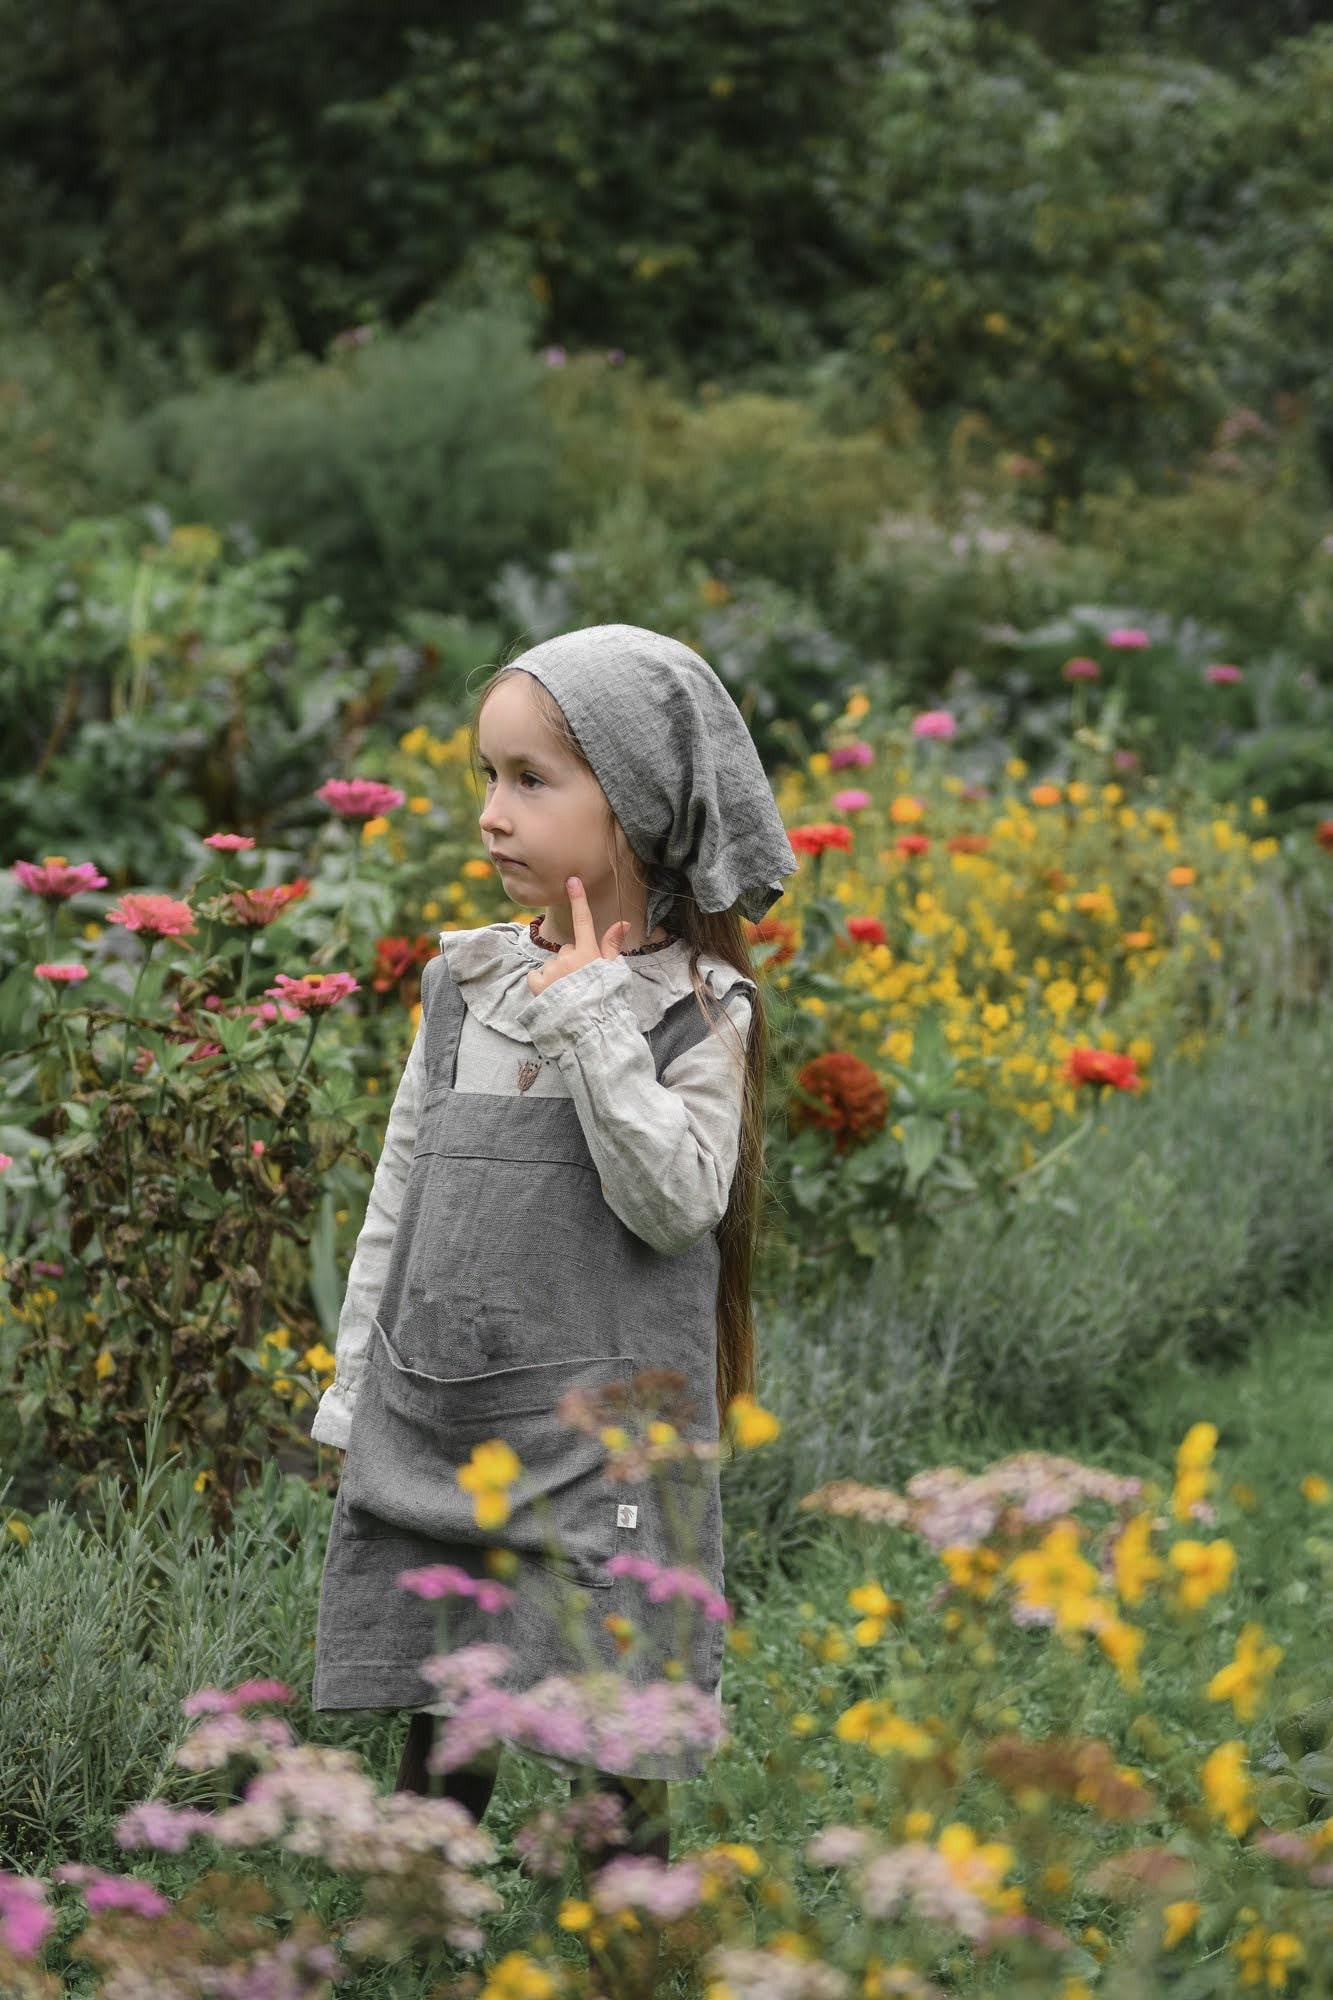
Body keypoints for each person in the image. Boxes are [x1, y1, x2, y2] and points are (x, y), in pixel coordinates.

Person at [306, 623, 797, 1887]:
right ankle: (419, 1922)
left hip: (606, 1436)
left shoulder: (698, 1006)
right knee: (446, 1684)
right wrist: (358, 1384)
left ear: (633, 804)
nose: (491, 813)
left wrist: (590, 1017)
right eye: (485, 776)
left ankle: (621, 1929)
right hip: (456, 1409)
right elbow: (401, 1197)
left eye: (532, 779)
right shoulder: (466, 985)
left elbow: (673, 1198)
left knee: (615, 1690)